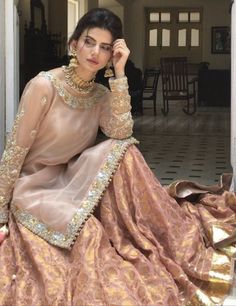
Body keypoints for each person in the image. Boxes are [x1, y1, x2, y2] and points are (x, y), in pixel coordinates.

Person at [0, 7, 235, 306]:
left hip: (71, 179)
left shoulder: (100, 96)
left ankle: (145, 230)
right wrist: (1, 213)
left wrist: (120, 74)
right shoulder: (43, 85)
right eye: (89, 42)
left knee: (123, 149)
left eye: (106, 47)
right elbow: (14, 152)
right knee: (87, 238)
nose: (95, 52)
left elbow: (122, 132)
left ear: (113, 54)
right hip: (36, 188)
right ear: (74, 44)